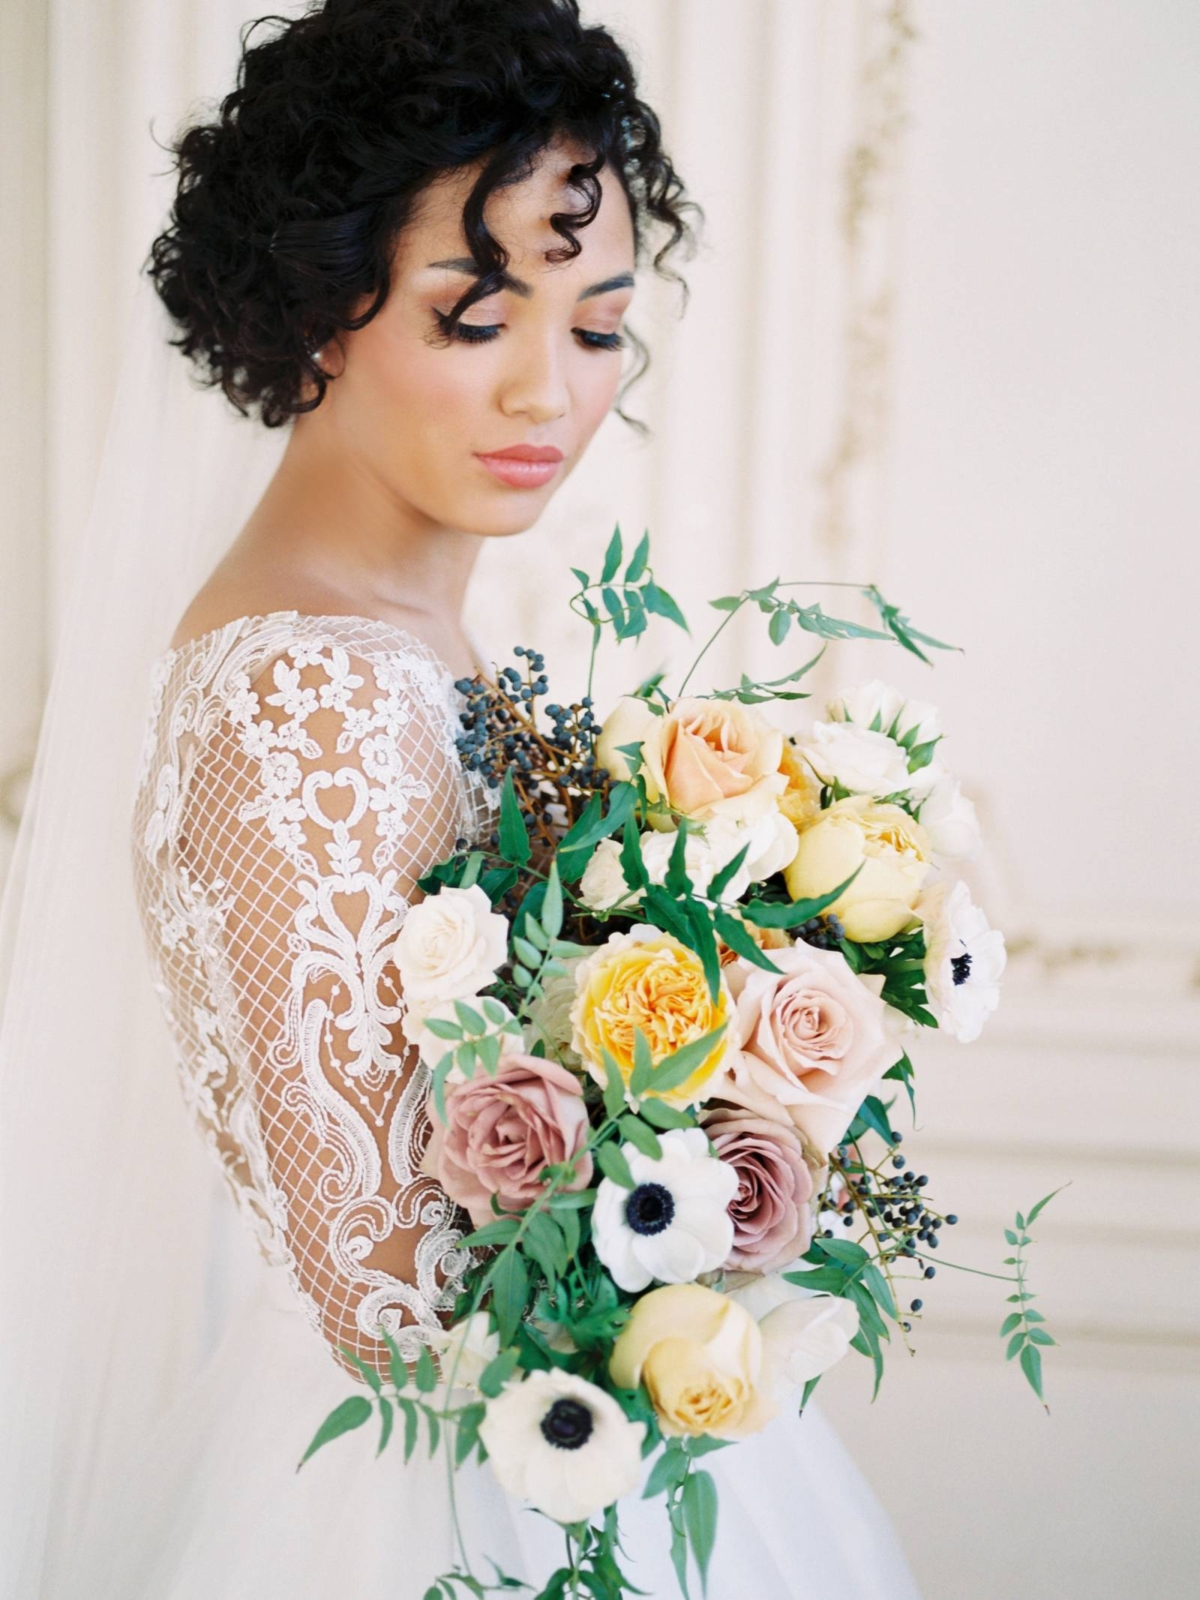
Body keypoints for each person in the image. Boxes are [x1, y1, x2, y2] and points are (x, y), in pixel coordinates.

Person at [0, 3, 921, 1595]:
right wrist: (686, 1201)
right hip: (442, 1489)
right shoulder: (304, 692)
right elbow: (390, 1292)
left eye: (595, 322)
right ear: (319, 312)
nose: (545, 398)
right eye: (474, 316)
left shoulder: (415, 638)